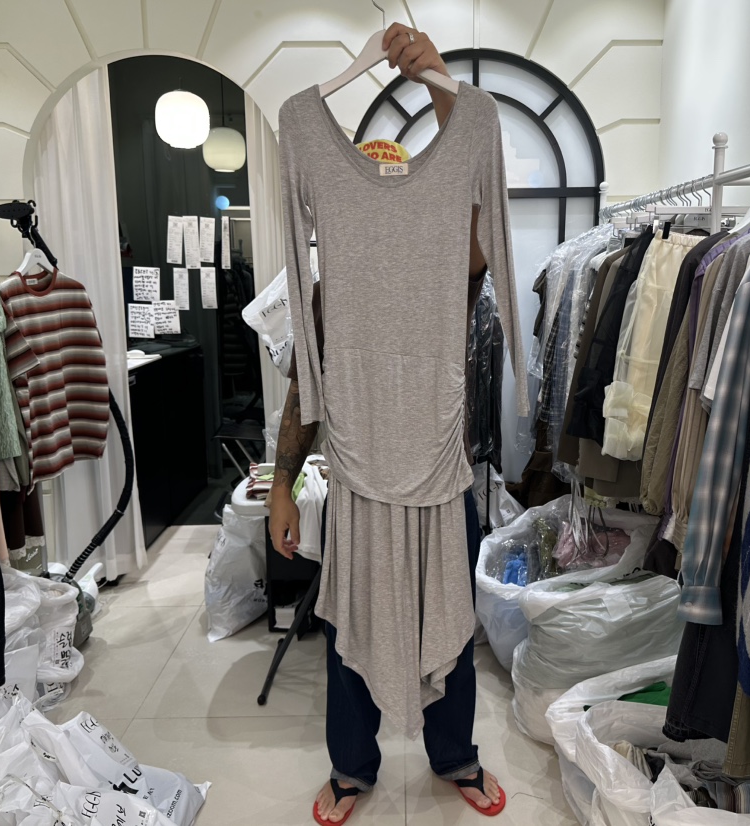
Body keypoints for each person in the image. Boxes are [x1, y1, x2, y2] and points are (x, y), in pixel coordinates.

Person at [269, 23, 506, 824]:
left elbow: (476, 208)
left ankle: (456, 755)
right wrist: (282, 485)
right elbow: (306, 382)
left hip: (440, 471)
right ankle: (352, 768)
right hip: (360, 474)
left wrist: (439, 82)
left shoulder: (452, 250)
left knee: (452, 628)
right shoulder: (333, 277)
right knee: (351, 633)